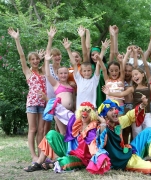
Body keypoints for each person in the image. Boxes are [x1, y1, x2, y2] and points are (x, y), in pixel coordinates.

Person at [23, 102, 111, 174]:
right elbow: (62, 112)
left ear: (91, 113)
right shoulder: (75, 121)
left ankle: (53, 164)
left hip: (82, 158)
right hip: (69, 150)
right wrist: (50, 101)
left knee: (66, 161)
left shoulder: (95, 126)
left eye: (88, 111)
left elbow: (103, 131)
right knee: (51, 134)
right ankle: (39, 163)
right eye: (83, 110)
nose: (85, 113)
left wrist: (100, 118)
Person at [8, 28, 46, 162]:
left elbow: (47, 58)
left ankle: (41, 155)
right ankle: (33, 155)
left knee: (41, 130)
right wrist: (17, 40)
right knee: (33, 129)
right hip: (32, 103)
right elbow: (22, 56)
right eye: (33, 59)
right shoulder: (28, 72)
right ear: (30, 61)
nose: (35, 61)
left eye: (37, 59)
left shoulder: (43, 72)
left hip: (43, 103)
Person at [62, 38, 100, 109]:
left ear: (92, 71)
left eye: (88, 71)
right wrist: (68, 49)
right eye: (84, 71)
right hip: (80, 109)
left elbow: (98, 64)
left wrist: (103, 49)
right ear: (81, 72)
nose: (86, 73)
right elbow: (74, 63)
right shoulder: (79, 79)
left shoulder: (94, 80)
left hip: (91, 109)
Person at [44, 47, 74, 135]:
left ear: (68, 74)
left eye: (65, 73)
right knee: (63, 132)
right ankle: (61, 148)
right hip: (60, 112)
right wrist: (47, 61)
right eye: (61, 73)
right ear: (57, 75)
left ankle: (69, 149)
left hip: (70, 111)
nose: (63, 75)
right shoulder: (56, 84)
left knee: (71, 132)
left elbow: (73, 98)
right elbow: (48, 75)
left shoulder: (70, 84)